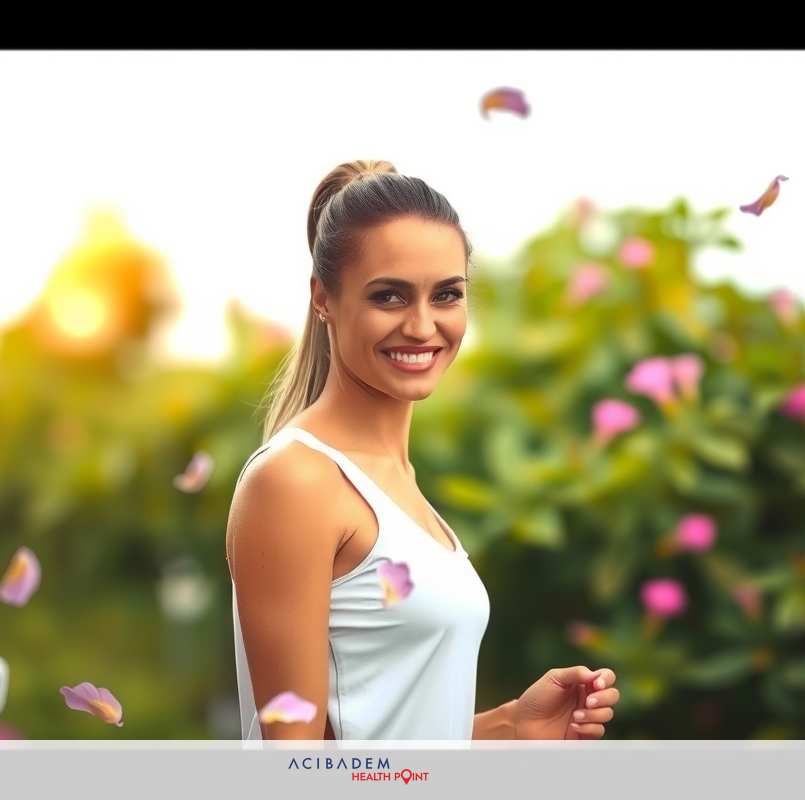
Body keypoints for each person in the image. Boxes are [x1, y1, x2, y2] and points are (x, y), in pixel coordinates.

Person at [226, 160, 620, 742]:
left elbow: (392, 746)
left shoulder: (398, 482)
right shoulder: (296, 481)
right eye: (389, 296)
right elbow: (298, 767)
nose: (422, 325)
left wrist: (513, 725)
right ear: (323, 299)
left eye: (446, 295)